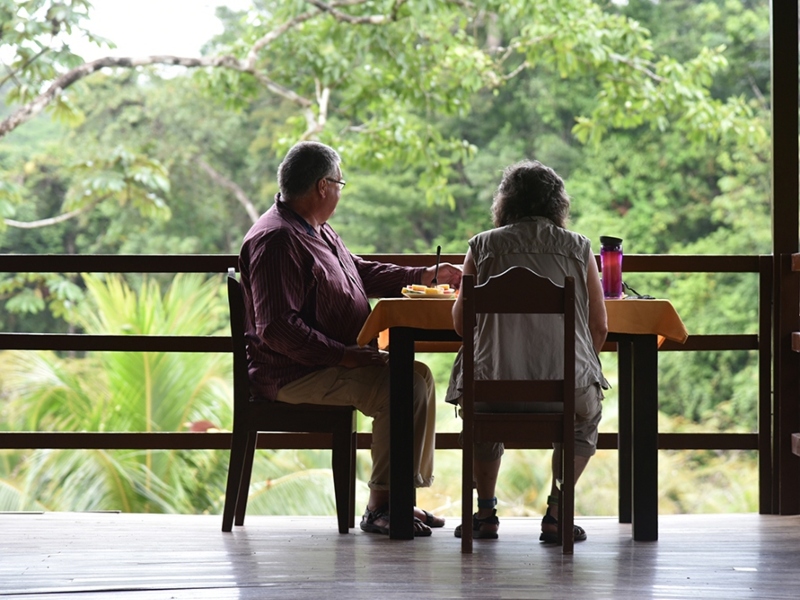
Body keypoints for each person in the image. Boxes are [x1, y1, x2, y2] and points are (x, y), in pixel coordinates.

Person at [238, 141, 461, 536]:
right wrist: (345, 356)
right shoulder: (277, 239)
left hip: (329, 361)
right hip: (295, 372)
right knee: (403, 385)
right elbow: (277, 328)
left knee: (419, 376)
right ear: (323, 187)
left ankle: (399, 499)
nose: (341, 191)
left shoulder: (313, 229)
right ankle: (381, 508)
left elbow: (358, 271)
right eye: (340, 183)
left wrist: (422, 275)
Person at [445, 159, 609, 543]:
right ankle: (556, 512)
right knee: (584, 417)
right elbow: (599, 327)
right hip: (563, 396)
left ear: (505, 203)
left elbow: (459, 323)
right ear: (558, 204)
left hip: (491, 395)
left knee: (480, 405)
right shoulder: (578, 248)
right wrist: (576, 369)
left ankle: (485, 514)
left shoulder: (483, 246)